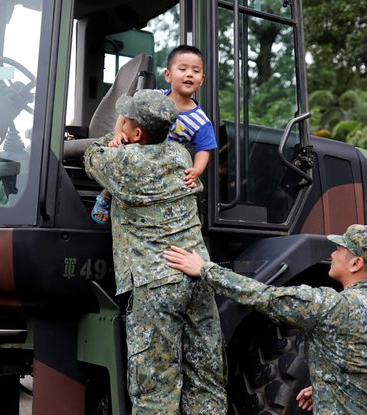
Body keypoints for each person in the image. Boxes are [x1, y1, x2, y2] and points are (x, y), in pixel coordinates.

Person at [164, 224, 367, 414]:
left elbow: (264, 296)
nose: (333, 254)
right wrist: (333, 387)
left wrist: (205, 269)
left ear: (356, 263)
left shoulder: (330, 305)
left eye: (339, 250)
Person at [84, 89, 226, 414]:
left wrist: (114, 135)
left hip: (156, 283)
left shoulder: (125, 161)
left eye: (127, 120)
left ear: (136, 133)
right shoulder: (180, 154)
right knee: (206, 382)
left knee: (155, 391)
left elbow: (91, 156)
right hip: (198, 275)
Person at [91, 45, 217, 224]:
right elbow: (126, 110)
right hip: (139, 149)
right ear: (168, 75)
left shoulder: (200, 120)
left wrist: (196, 171)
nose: (189, 74)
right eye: (183, 69)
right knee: (125, 160)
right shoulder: (154, 97)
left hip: (163, 163)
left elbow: (205, 149)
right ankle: (106, 194)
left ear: (202, 79)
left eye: (195, 71)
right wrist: (118, 133)